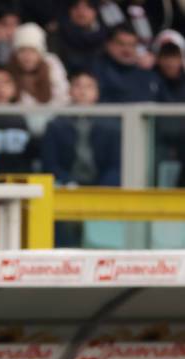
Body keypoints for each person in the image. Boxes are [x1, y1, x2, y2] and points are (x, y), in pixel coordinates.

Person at [41, 71, 121, 246]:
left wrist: (103, 189)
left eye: (89, 86)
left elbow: (116, 165)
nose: (83, 91)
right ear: (70, 91)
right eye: (78, 86)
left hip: (101, 188)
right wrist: (68, 183)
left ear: (97, 93)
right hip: (66, 188)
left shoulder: (112, 126)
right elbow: (50, 164)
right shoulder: (55, 125)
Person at [92, 24, 162, 101]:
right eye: (121, 44)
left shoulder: (148, 74)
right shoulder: (95, 71)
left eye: (132, 45)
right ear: (108, 45)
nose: (127, 50)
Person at [9, 22, 70, 106]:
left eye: (32, 51)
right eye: (22, 50)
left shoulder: (52, 66)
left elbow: (63, 97)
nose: (27, 56)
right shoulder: (10, 70)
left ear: (40, 54)